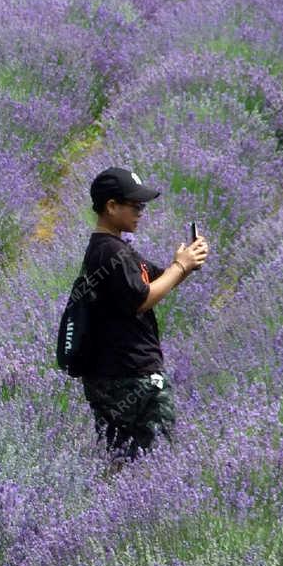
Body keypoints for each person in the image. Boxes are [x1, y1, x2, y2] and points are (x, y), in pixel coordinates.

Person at [79, 167, 208, 461]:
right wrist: (180, 267)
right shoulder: (112, 253)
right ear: (111, 207)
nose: (141, 212)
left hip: (111, 375)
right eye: (135, 206)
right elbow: (142, 299)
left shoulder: (109, 250)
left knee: (122, 458)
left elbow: (157, 280)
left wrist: (185, 264)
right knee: (158, 459)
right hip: (132, 375)